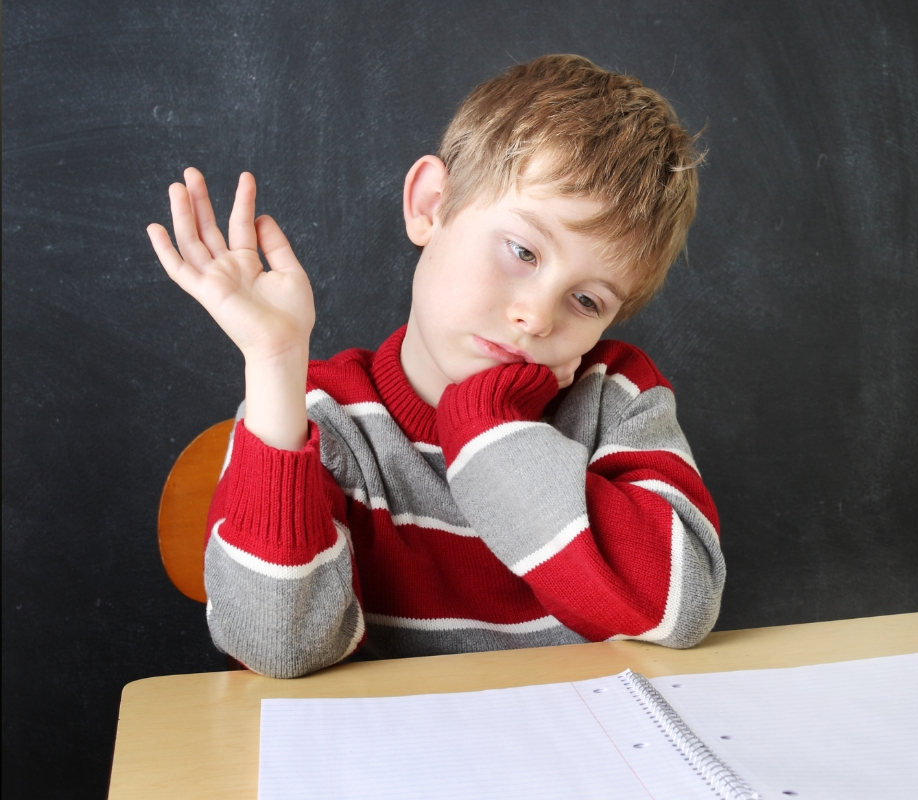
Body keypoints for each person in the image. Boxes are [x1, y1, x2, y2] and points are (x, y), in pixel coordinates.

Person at [147, 54, 724, 679]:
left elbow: (681, 606)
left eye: (586, 301)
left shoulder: (616, 397)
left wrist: (484, 422)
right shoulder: (319, 418)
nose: (535, 316)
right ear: (431, 205)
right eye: (522, 250)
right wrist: (274, 364)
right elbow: (280, 648)